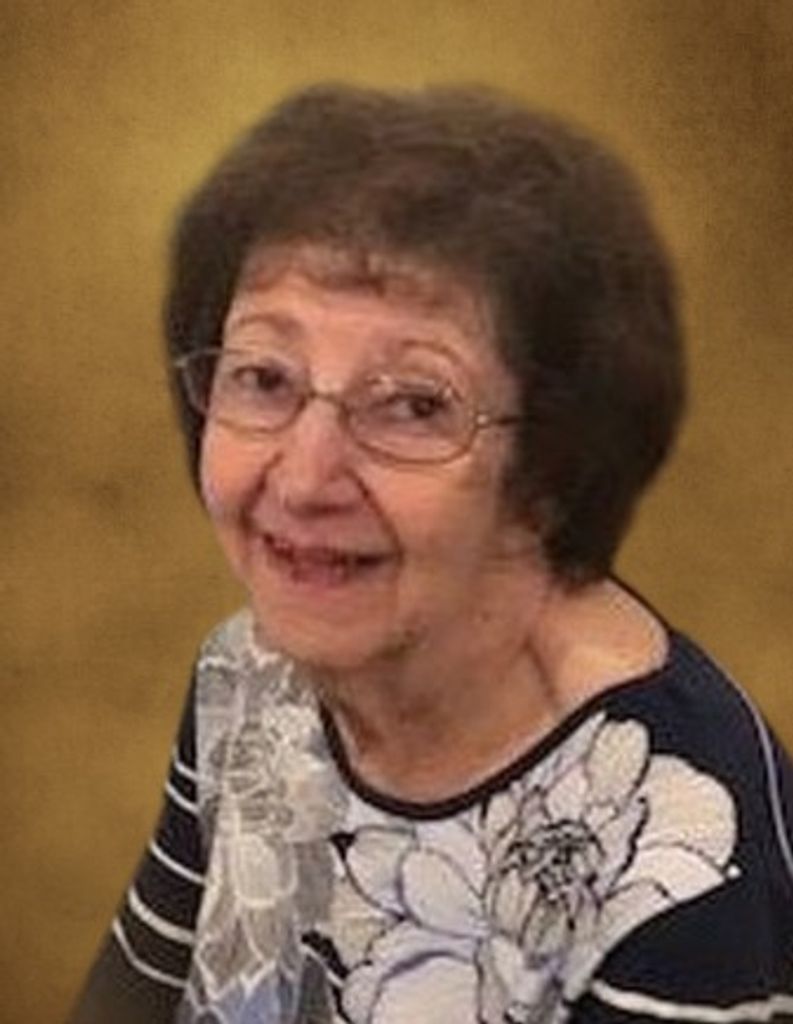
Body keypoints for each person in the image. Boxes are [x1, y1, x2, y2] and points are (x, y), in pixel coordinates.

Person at [69, 83, 793, 1024]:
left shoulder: (675, 857)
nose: (303, 478)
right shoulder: (247, 677)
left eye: (412, 404)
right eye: (264, 377)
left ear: (550, 469)